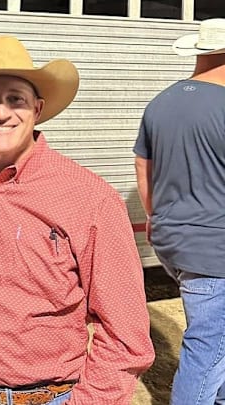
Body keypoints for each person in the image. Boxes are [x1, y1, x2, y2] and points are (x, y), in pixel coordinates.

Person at [0, 36, 155, 405]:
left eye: (16, 99)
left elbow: (125, 333)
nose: (1, 113)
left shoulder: (90, 198)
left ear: (37, 109)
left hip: (46, 397)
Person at [134, 18, 225, 405]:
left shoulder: (161, 102)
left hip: (173, 241)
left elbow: (143, 169)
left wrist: (158, 219)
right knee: (206, 352)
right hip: (217, 249)